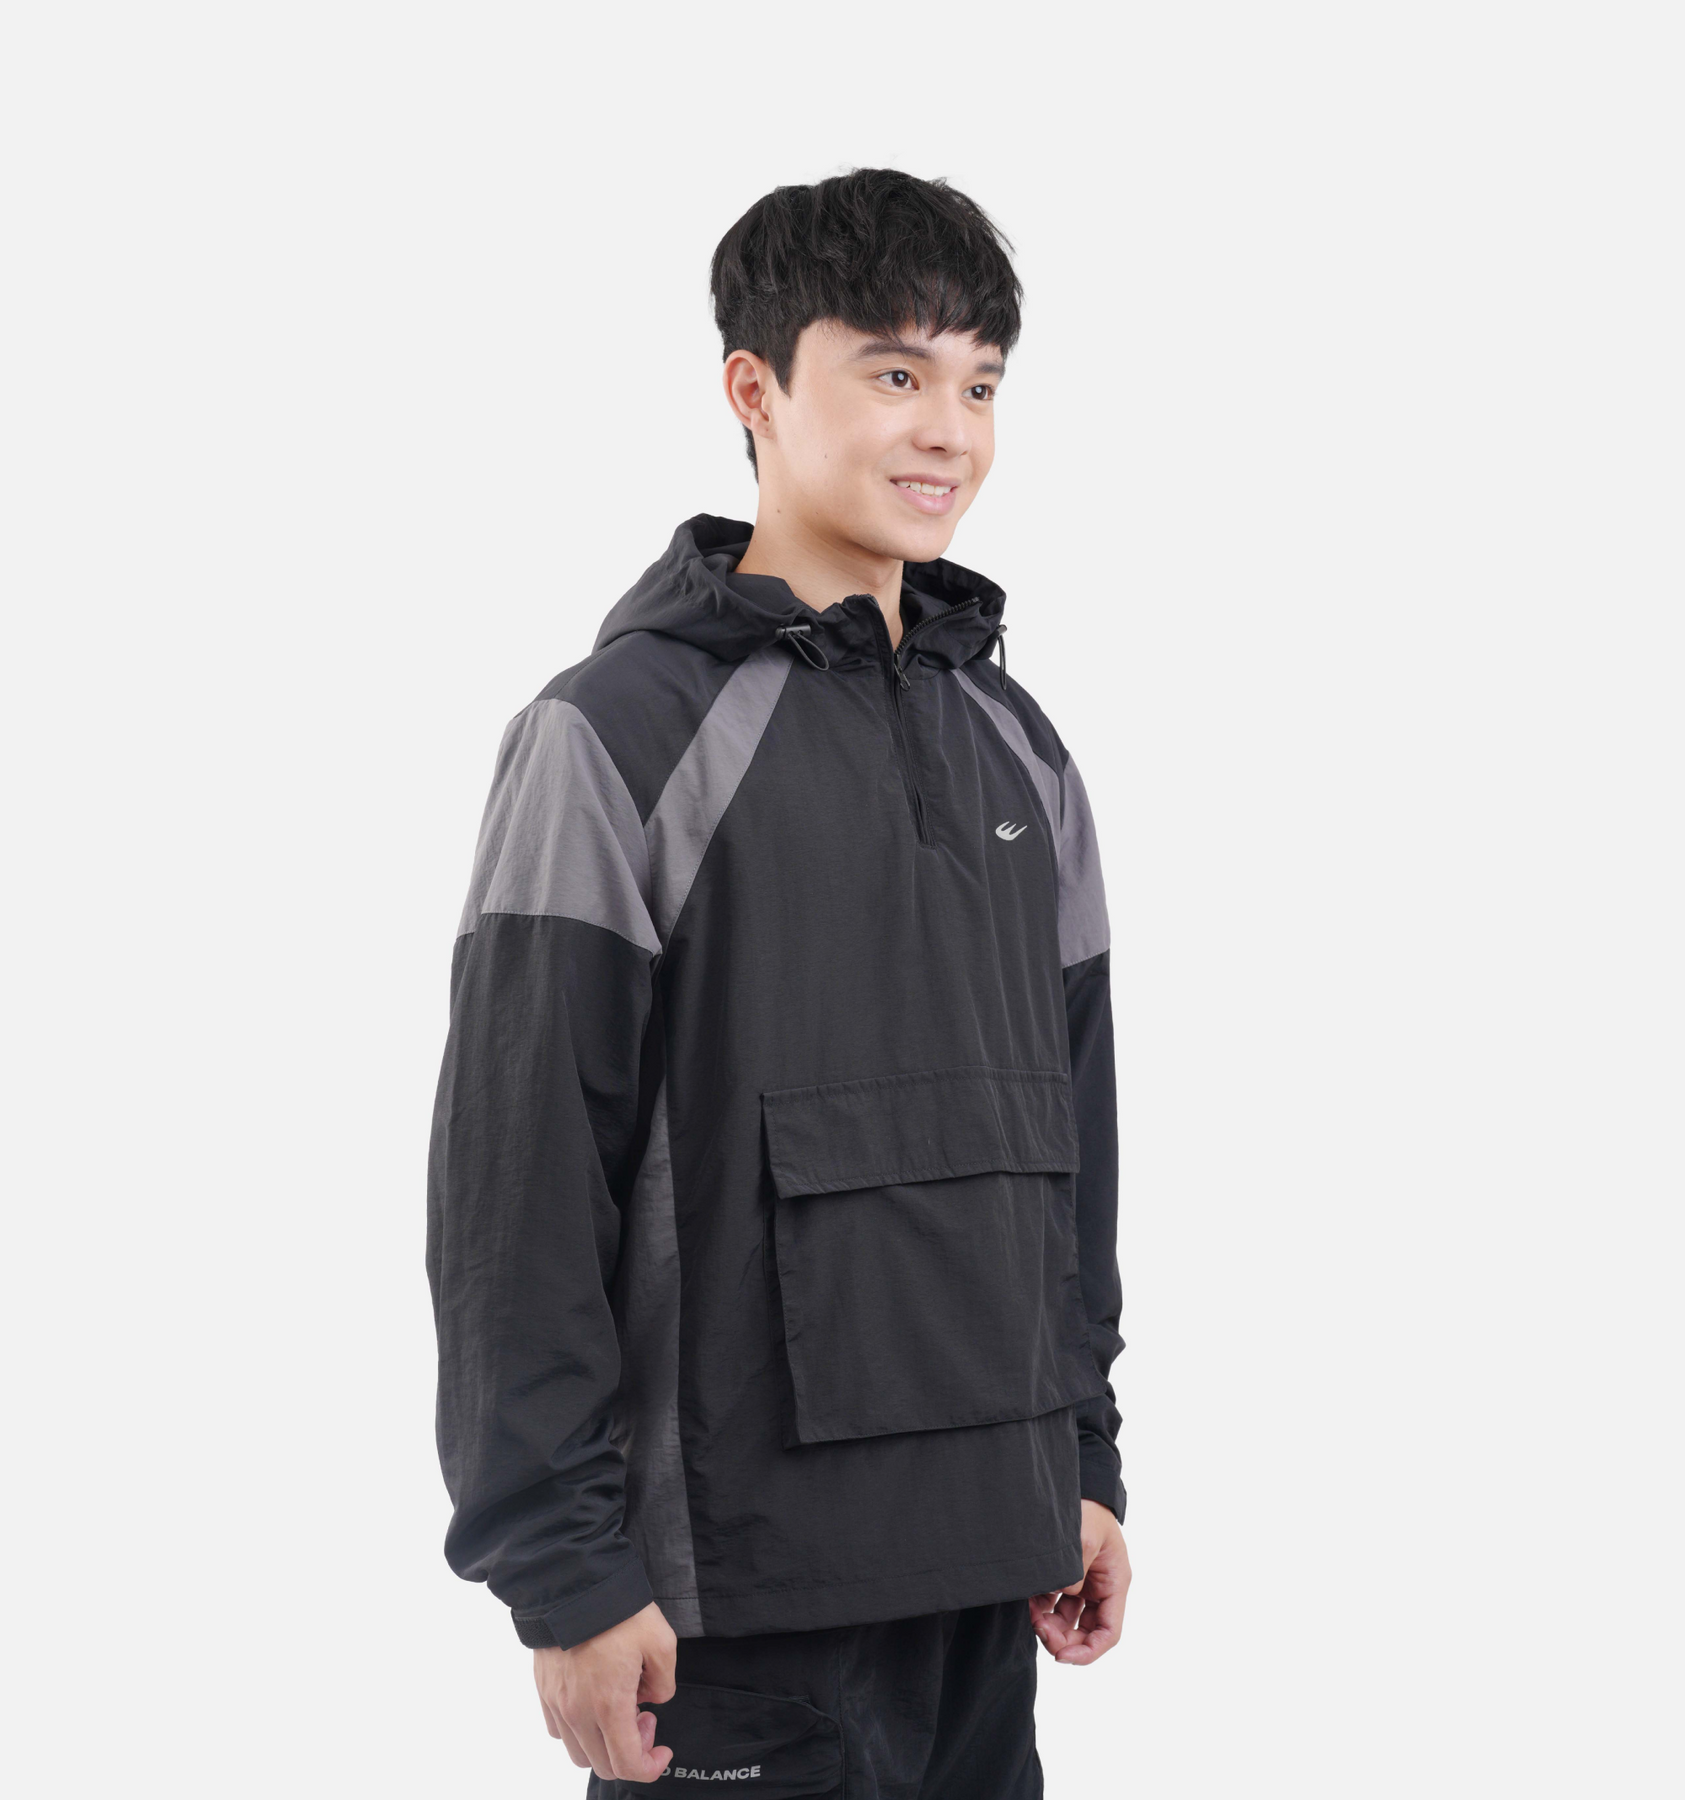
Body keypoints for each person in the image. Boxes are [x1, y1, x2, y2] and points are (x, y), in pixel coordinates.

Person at [427, 167, 1130, 1798]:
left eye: (980, 385)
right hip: (731, 1611)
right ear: (753, 389)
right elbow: (517, 1193)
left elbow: (1073, 1150)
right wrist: (564, 1573)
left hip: (986, 1578)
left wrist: (1081, 1463)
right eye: (893, 373)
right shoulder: (611, 736)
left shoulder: (1022, 747)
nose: (948, 431)